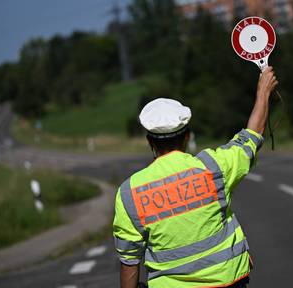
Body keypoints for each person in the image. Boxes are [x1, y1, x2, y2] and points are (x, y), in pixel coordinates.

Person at [113, 67, 278, 288]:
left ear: (150, 142)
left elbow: (129, 262)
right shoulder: (213, 167)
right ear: (187, 137)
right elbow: (251, 136)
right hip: (229, 282)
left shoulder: (128, 193)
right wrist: (263, 91)